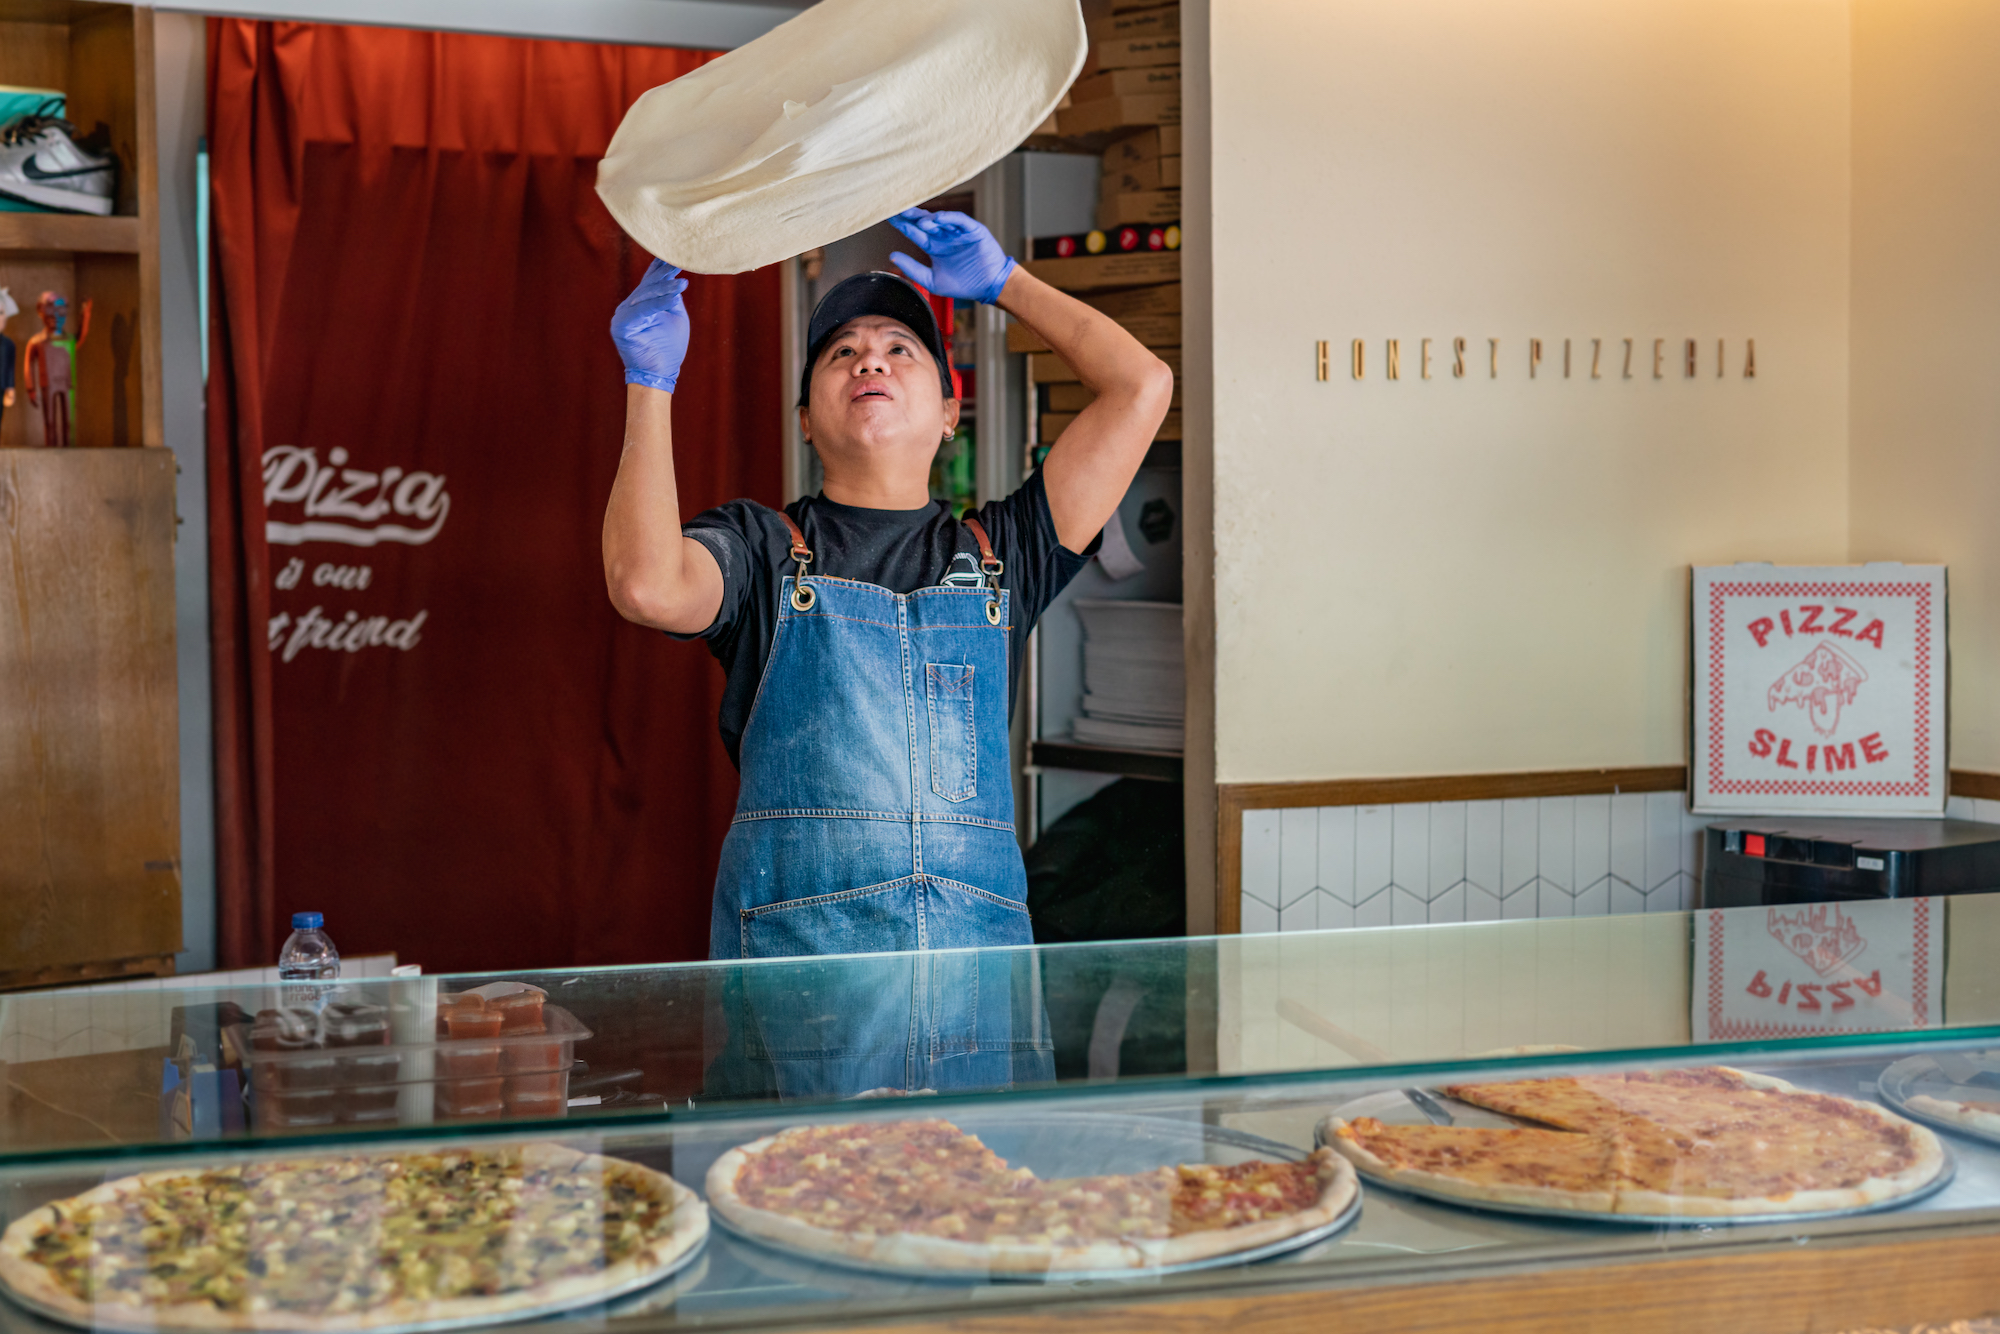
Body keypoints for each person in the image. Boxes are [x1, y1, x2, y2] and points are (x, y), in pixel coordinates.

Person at [603, 207, 1172, 964]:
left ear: (949, 412)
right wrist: (649, 383)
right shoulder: (762, 549)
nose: (870, 361)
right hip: (804, 994)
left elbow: (1141, 386)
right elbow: (647, 584)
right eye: (841, 352)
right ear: (806, 420)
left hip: (978, 990)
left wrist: (1009, 284)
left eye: (900, 348)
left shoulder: (1007, 552)